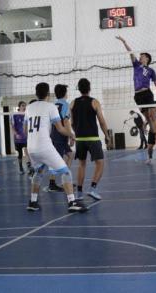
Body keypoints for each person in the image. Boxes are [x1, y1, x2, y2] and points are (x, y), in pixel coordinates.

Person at [26, 83, 87, 213]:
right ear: (48, 94)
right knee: (65, 172)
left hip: (31, 148)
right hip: (44, 147)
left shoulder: (29, 107)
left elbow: (26, 129)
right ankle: (72, 202)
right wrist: (72, 135)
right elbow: (60, 129)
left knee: (39, 172)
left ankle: (33, 202)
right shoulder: (51, 106)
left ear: (36, 94)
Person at [70, 78, 110, 201]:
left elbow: (71, 123)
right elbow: (102, 121)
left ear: (79, 89)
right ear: (89, 88)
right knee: (100, 163)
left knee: (81, 165)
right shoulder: (94, 102)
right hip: (92, 138)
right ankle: (92, 189)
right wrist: (107, 136)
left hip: (80, 139)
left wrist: (76, 133)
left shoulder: (72, 103)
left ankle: (79, 194)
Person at [116, 36, 156, 139]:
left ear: (147, 59)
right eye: (140, 56)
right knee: (147, 118)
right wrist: (124, 41)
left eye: (142, 56)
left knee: (151, 115)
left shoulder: (151, 70)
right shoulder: (136, 65)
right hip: (138, 96)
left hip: (147, 93)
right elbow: (131, 53)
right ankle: (154, 135)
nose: (140, 57)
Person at [48, 85, 74, 192]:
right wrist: (71, 135)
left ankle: (65, 180)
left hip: (54, 134)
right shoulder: (66, 105)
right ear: (65, 93)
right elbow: (66, 122)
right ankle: (52, 184)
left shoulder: (53, 105)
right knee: (56, 160)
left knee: (70, 155)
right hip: (60, 135)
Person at [11, 102, 29, 175]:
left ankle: (29, 166)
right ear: (19, 107)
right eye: (23, 106)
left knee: (27, 151)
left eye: (25, 105)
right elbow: (12, 126)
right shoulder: (14, 115)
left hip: (26, 137)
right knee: (20, 154)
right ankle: (21, 167)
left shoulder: (27, 114)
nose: (24, 107)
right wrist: (16, 134)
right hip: (18, 138)